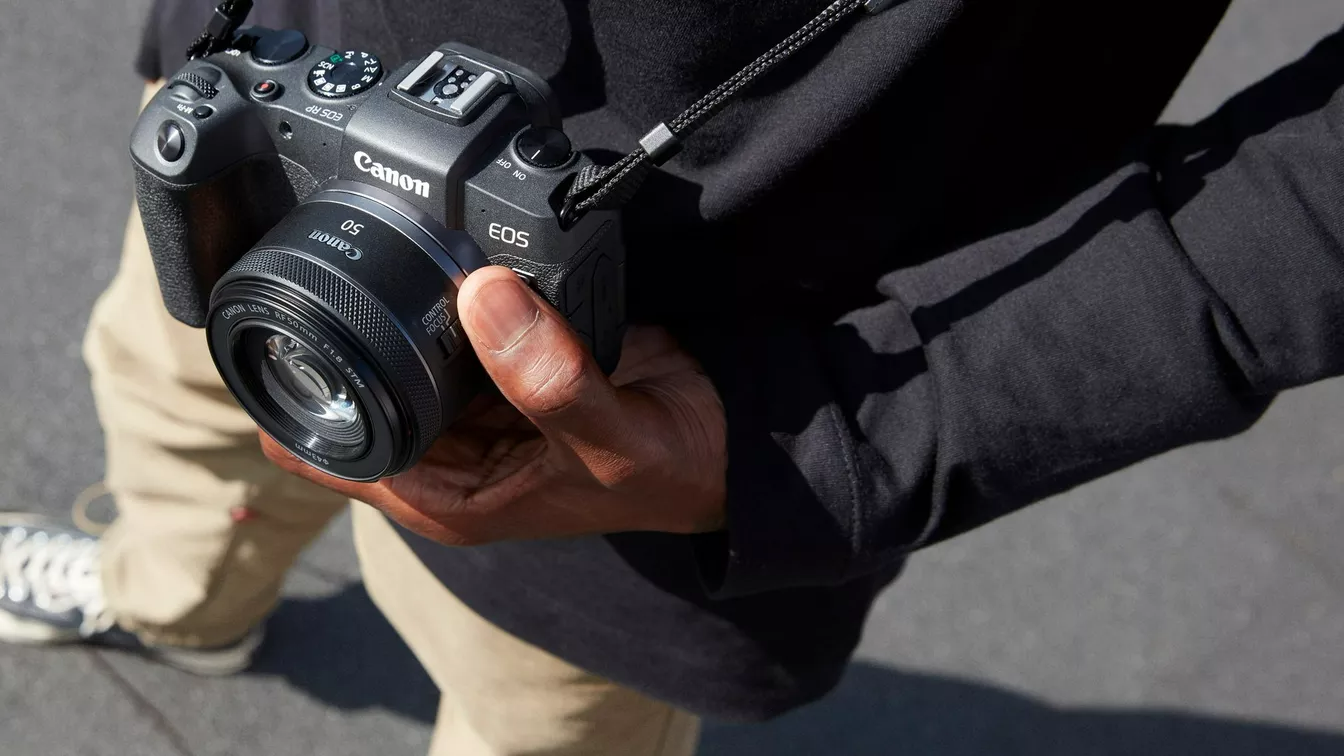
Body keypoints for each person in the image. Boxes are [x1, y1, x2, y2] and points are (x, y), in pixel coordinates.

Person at [3, 0, 1343, 753]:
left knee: (539, 722)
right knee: (168, 400)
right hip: (272, 121)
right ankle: (178, 602)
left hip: (658, 427)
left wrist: (847, 427)